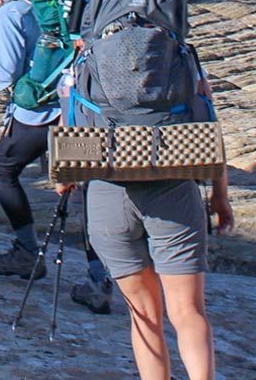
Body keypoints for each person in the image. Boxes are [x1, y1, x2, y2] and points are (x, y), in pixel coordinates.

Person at [0, 0, 113, 314]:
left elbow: (2, 76)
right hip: (79, 108)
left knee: (3, 170)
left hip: (38, 115)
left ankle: (27, 252)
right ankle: (99, 278)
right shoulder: (72, 1)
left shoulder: (12, 10)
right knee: (85, 195)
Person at [65, 73, 233, 379]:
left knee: (143, 316)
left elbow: (70, 148)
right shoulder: (182, 61)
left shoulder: (82, 65)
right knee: (188, 312)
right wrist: (220, 196)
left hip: (108, 195)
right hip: (174, 189)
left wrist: (66, 184)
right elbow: (210, 127)